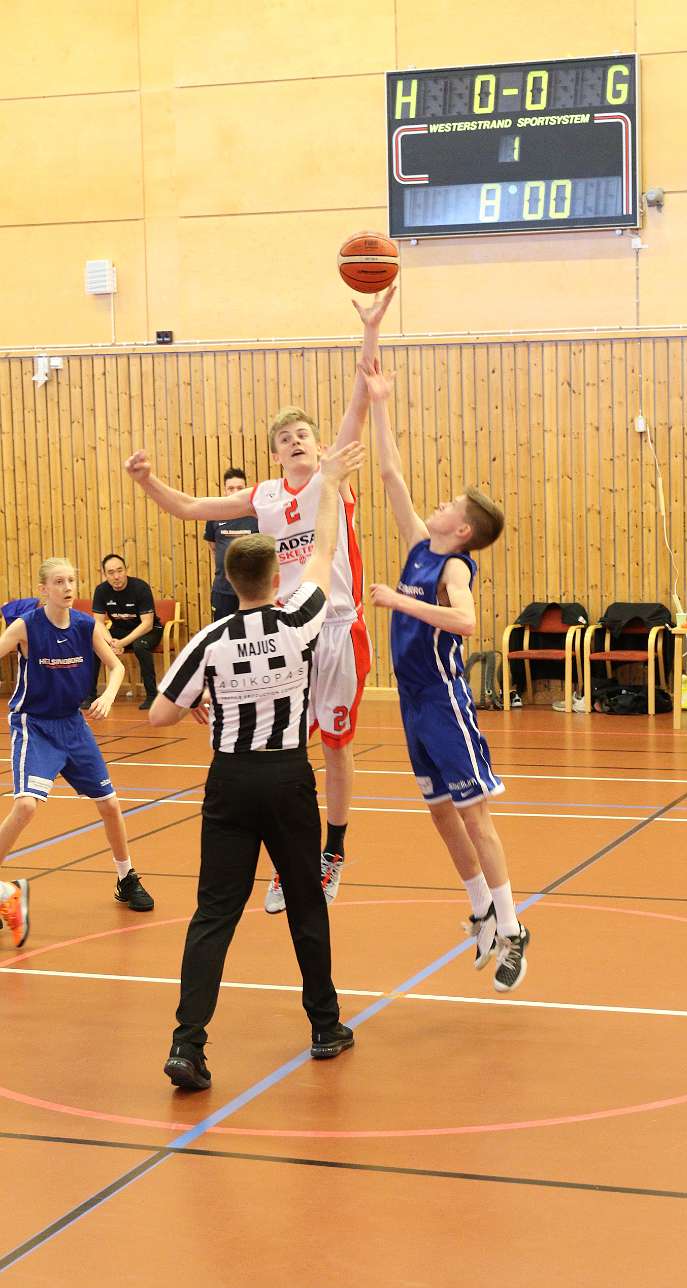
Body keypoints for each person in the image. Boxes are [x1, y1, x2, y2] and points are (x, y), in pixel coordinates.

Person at [124, 286, 395, 911]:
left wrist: (371, 329)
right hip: (282, 632)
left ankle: (332, 853)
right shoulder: (265, 496)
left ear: (320, 446)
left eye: (304, 435)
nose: (296, 442)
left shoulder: (333, 477)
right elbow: (190, 507)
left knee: (335, 744)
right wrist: (147, 481)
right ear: (274, 454)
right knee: (280, 747)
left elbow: (360, 398)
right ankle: (293, 857)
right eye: (285, 439)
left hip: (335, 626)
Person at [150, 441, 364, 1091]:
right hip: (287, 776)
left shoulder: (208, 641)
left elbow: (159, 714)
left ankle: (188, 1044)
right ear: (275, 582)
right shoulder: (300, 620)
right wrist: (329, 485)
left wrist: (197, 701)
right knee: (305, 904)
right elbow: (323, 554)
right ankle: (325, 1025)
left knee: (213, 913)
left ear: (230, 581)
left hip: (230, 781)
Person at [362, 360, 529, 992]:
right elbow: (390, 473)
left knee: (475, 815)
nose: (438, 503)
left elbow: (467, 622)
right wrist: (380, 402)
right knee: (440, 813)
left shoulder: (454, 568)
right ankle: (481, 909)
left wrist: (397, 602)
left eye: (451, 504)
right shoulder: (418, 545)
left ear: (461, 530)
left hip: (443, 699)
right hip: (411, 701)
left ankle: (513, 927)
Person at [0, 557, 154, 948]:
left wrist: (109, 694)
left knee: (110, 804)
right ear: (43, 589)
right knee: (26, 806)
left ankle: (126, 877)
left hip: (73, 725)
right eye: (58, 581)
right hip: (35, 726)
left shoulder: (86, 625)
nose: (67, 587)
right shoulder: (26, 627)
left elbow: (116, 668)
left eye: (71, 580)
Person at [88, 553, 163, 711]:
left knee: (140, 646)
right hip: (119, 630)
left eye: (120, 570)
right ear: (104, 574)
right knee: (95, 645)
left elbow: (147, 624)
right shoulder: (101, 590)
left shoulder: (140, 588)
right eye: (111, 572)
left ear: (126, 570)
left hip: (147, 631)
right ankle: (90, 696)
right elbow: (98, 622)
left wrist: (122, 643)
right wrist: (110, 642)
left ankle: (152, 696)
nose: (116, 576)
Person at [204, 467, 258, 620]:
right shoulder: (214, 515)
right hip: (223, 591)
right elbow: (213, 547)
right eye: (231, 488)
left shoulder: (257, 516)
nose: (235, 492)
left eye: (240, 488)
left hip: (252, 591)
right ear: (225, 491)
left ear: (246, 489)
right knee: (223, 632)